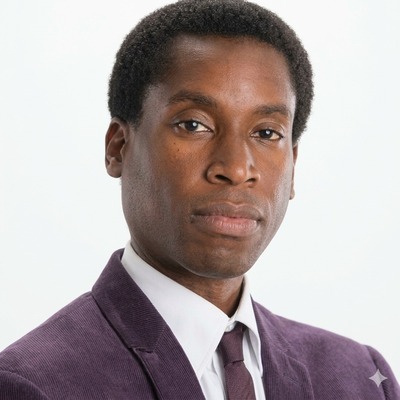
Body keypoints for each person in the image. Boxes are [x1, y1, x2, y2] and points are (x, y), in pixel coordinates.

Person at [0, 0, 398, 399]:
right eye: (193, 124)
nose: (236, 168)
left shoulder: (361, 379)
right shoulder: (34, 385)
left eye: (266, 133)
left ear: (293, 165)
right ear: (118, 147)